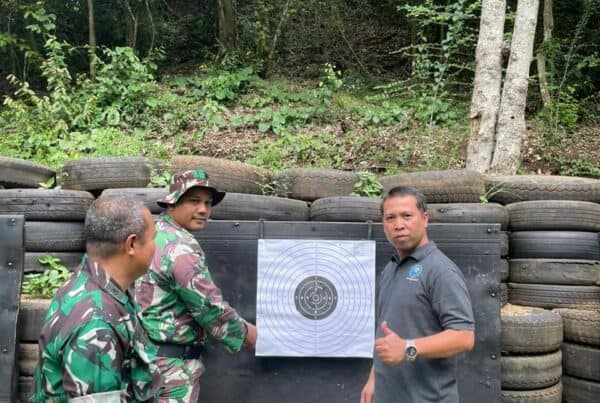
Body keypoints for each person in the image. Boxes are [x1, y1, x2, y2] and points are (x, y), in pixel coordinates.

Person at [135, 169, 257, 402]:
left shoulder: (154, 234)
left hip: (147, 360)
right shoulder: (181, 247)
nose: (203, 210)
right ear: (172, 203)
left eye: (208, 203)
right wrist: (247, 334)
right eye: (194, 201)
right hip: (171, 371)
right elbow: (209, 307)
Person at [32, 196, 162, 402]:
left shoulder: (89, 282)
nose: (156, 246)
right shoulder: (97, 324)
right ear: (131, 244)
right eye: (154, 237)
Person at [360, 186, 475, 403]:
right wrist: (374, 378)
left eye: (407, 216)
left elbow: (464, 337)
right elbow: (386, 333)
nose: (399, 225)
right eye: (390, 218)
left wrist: (408, 348)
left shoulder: (441, 270)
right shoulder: (391, 269)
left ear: (425, 219)